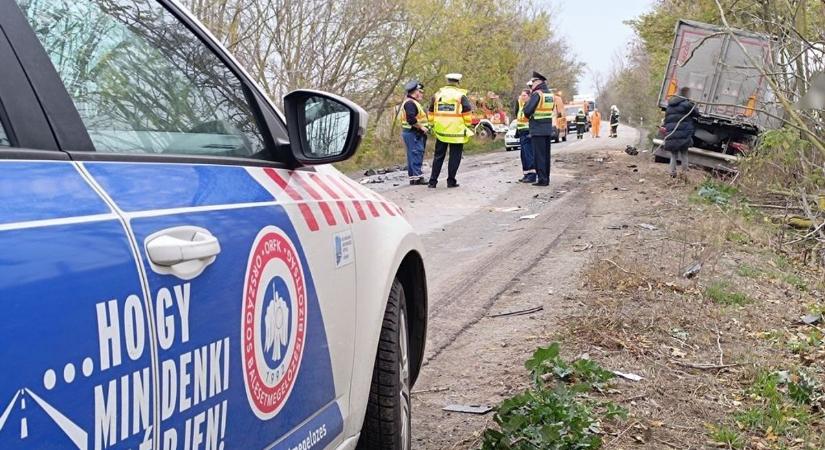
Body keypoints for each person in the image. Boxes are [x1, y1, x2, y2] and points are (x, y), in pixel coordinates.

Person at [428, 73, 473, 188]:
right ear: (458, 82)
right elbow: (467, 112)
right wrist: (467, 125)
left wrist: (432, 124)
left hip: (441, 131)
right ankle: (451, 181)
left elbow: (431, 111)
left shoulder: (437, 95)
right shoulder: (461, 96)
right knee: (455, 156)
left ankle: (432, 181)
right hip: (456, 132)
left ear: (447, 81)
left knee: (438, 156)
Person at [522, 71, 554, 187]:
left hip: (537, 129)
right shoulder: (549, 95)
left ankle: (542, 179)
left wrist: (526, 104)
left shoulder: (537, 94)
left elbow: (527, 111)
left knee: (539, 156)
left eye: (534, 82)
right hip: (547, 128)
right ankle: (546, 178)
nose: (532, 84)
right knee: (546, 155)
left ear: (538, 82)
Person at [663, 87, 699, 178]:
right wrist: (693, 103)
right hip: (684, 133)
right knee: (684, 154)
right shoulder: (687, 105)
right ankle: (684, 174)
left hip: (672, 132)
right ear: (687, 95)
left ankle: (672, 173)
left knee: (673, 155)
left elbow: (666, 118)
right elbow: (697, 113)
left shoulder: (670, 105)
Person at [398, 80, 429, 185]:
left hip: (411, 133)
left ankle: (413, 178)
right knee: (416, 153)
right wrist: (422, 127)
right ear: (415, 92)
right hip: (414, 133)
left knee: (412, 154)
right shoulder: (410, 103)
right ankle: (417, 177)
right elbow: (411, 119)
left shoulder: (410, 102)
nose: (422, 94)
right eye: (420, 91)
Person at [513, 87, 536, 183]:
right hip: (522, 132)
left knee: (528, 155)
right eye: (521, 95)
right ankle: (526, 174)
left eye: (524, 95)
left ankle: (532, 175)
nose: (522, 97)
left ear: (529, 96)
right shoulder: (522, 105)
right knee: (523, 155)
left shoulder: (530, 106)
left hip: (528, 132)